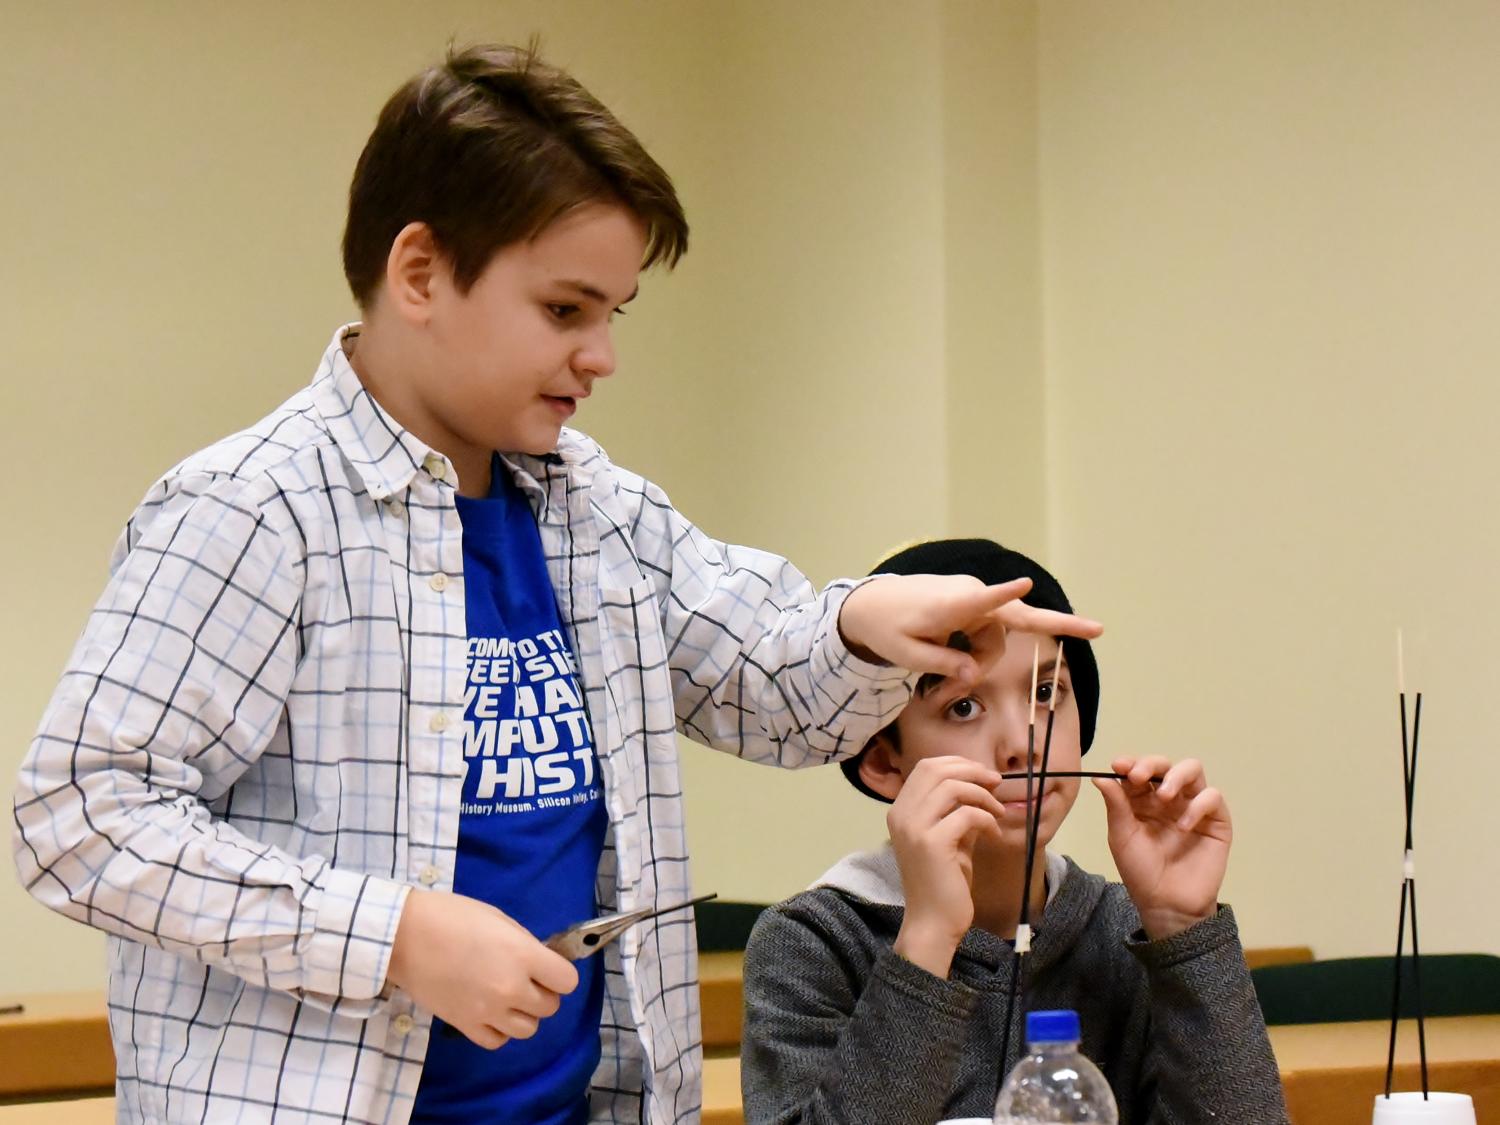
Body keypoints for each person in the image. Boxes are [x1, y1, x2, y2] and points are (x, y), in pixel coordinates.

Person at [11, 47, 1101, 1125]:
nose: (601, 357)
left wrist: (864, 625)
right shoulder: (256, 509)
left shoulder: (597, 512)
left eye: (613, 315)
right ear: (421, 273)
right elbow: (77, 814)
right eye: (566, 310)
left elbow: (771, 688)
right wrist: (394, 936)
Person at [741, 538, 1286, 1125]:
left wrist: (1184, 934)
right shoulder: (812, 944)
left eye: (1047, 693)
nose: (1022, 744)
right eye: (963, 708)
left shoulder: (1125, 932)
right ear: (882, 760)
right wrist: (927, 938)